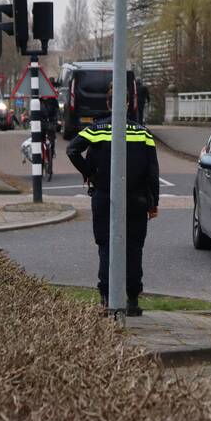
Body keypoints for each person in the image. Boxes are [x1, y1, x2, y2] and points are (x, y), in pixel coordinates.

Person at [67, 85, 159, 315]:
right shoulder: (143, 132)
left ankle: (106, 297)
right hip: (137, 199)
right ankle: (132, 301)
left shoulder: (96, 129)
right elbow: (152, 171)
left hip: (104, 196)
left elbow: (72, 150)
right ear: (127, 104)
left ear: (108, 104)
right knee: (134, 248)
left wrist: (90, 173)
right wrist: (154, 202)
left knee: (106, 246)